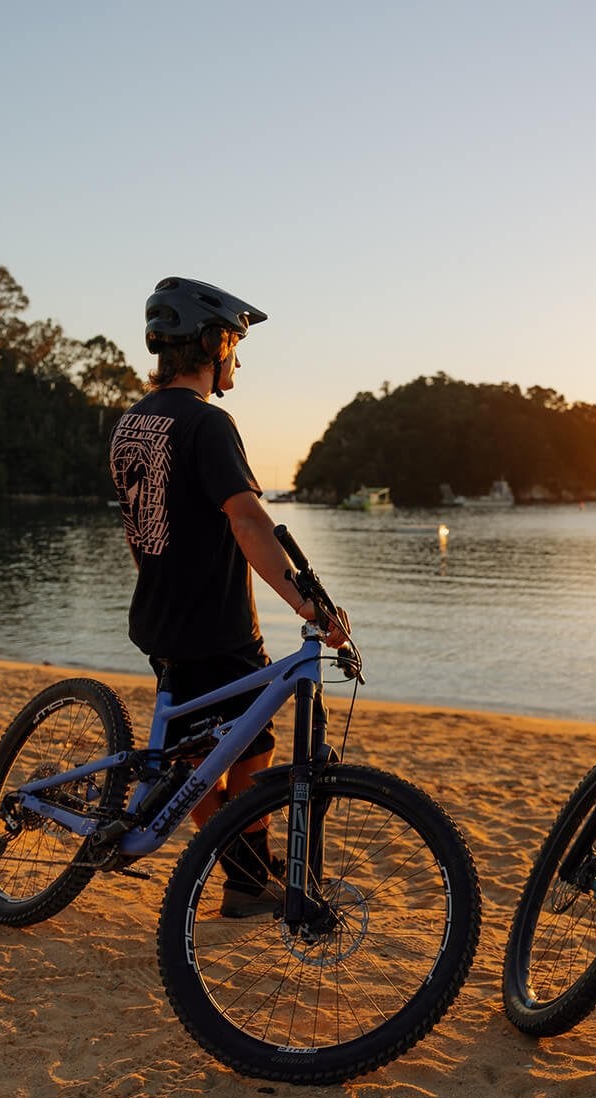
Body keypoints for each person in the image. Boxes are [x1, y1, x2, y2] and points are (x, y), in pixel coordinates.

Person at [109, 276, 349, 918]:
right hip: (216, 625)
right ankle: (246, 877)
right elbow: (247, 519)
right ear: (214, 345)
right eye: (236, 345)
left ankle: (243, 871)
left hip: (158, 615)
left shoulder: (132, 422)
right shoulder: (209, 424)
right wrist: (306, 602)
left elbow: (148, 520)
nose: (238, 359)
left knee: (205, 752)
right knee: (252, 748)